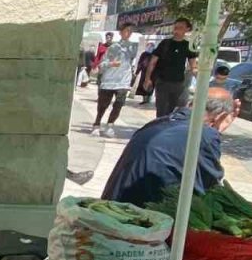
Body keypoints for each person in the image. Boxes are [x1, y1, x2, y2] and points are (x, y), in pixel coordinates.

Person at [100, 88, 237, 207]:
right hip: (145, 216)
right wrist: (217, 131)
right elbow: (211, 187)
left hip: (114, 202)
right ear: (222, 116)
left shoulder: (158, 123)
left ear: (190, 104)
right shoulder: (204, 134)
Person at [144, 18, 199, 118]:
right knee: (161, 110)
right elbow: (152, 62)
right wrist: (147, 79)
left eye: (181, 28)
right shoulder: (165, 43)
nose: (177, 30)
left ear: (187, 29)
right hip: (162, 82)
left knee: (171, 111)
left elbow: (193, 66)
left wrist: (201, 81)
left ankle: (166, 129)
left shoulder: (188, 45)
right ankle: (159, 129)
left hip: (178, 83)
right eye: (176, 28)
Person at [91, 23, 137, 138]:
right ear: (121, 32)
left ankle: (110, 125)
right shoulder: (113, 47)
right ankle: (97, 124)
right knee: (103, 104)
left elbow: (134, 58)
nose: (128, 33)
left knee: (119, 104)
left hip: (124, 80)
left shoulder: (133, 47)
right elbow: (103, 63)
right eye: (126, 30)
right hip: (110, 80)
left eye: (130, 31)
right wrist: (112, 63)